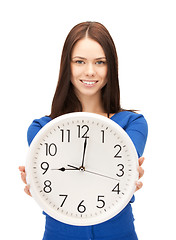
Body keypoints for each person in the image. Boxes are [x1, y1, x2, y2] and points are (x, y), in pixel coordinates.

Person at [19, 21, 148, 240]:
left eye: (100, 62)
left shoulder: (133, 124)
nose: (90, 71)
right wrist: (40, 186)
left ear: (111, 67)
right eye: (80, 61)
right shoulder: (41, 129)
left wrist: (127, 178)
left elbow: (120, 173)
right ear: (66, 66)